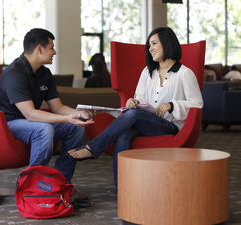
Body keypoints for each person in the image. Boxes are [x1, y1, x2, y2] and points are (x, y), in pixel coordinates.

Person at [67, 27, 203, 189]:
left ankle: (93, 147)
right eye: (149, 45)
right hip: (145, 122)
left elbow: (197, 104)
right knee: (123, 135)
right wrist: (134, 102)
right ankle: (122, 188)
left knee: (133, 115)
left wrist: (172, 105)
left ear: (167, 44)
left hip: (169, 126)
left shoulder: (184, 73)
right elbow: (141, 99)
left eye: (154, 44)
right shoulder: (147, 71)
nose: (150, 48)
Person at [0, 28, 97, 196]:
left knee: (76, 127)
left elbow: (58, 107)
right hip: (6, 124)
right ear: (39, 49)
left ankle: (61, 181)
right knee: (43, 128)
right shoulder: (14, 73)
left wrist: (79, 114)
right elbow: (31, 114)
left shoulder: (45, 73)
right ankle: (31, 185)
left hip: (28, 122)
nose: (54, 52)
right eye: (51, 47)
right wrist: (68, 118)